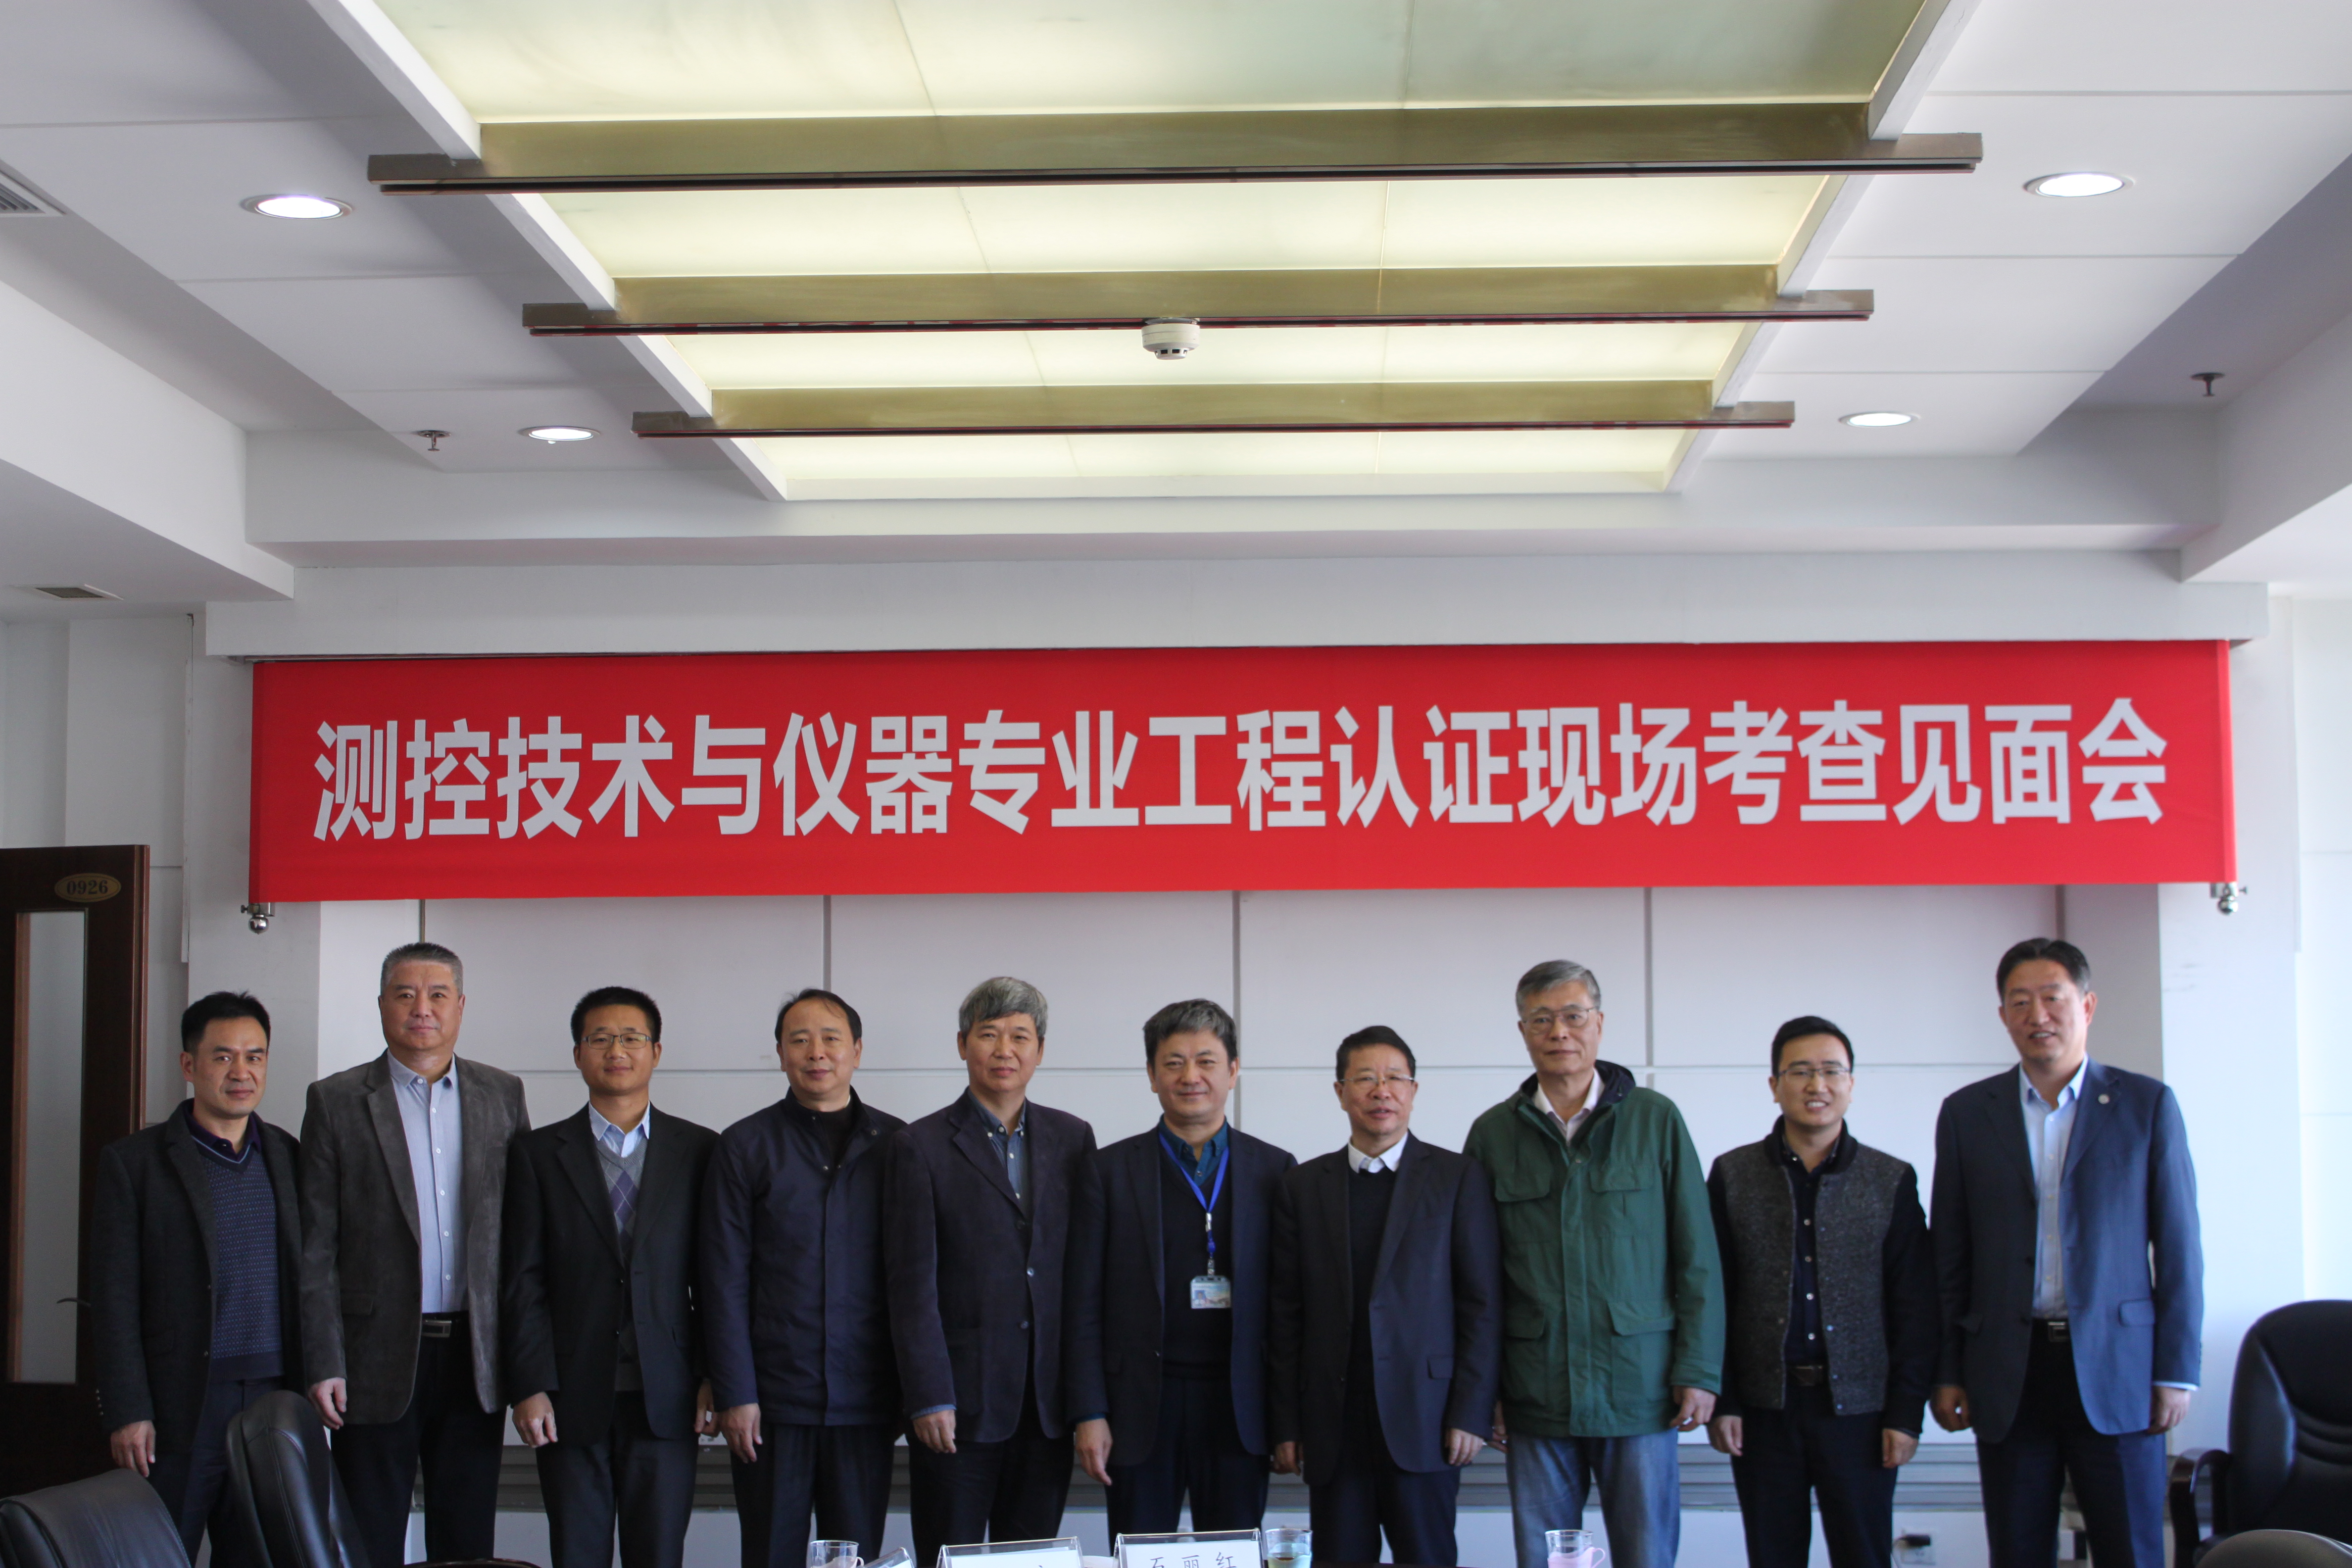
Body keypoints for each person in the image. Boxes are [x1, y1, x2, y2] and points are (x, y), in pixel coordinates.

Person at [1932, 938, 2203, 1568]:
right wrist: (1948, 1370)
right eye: (2020, 1002)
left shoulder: (2146, 1105)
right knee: (2018, 1551)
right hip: (2009, 1369)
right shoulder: (1968, 1113)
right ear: (2003, 1015)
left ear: (2087, 1005)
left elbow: (2180, 1248)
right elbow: (1949, 1254)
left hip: (2119, 1368)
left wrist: (2175, 1370)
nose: (2038, 1016)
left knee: (2131, 1551)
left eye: (2053, 998)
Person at [1464, 960, 1723, 1568]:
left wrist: (1700, 1369)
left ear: (1599, 1024)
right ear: (1523, 1032)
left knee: (1646, 1556)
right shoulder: (1493, 1134)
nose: (1559, 1031)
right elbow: (1476, 1279)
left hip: (1641, 1387)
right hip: (1535, 1390)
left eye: (1574, 1016)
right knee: (1545, 1559)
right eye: (1542, 1019)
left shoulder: (1655, 1120)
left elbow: (1698, 1257)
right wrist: (1483, 1390)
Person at [299, 941, 531, 1568]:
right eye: (405, 995)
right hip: (372, 1357)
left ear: (460, 1006)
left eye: (437, 995)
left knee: (466, 1543)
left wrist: (526, 1362)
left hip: (474, 1356)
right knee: (368, 1539)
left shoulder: (502, 1095)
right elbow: (316, 1246)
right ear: (382, 1005)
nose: (421, 1009)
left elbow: (521, 1239)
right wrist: (324, 1361)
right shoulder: (336, 1100)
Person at [1705, 1016, 1938, 1568]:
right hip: (1764, 1411)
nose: (1818, 1085)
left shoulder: (1890, 1179)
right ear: (1774, 1085)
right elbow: (1714, 1297)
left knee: (1864, 1556)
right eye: (1801, 1072)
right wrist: (1725, 1400)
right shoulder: (1733, 1175)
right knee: (1773, 1557)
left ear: (1851, 1084)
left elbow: (1916, 1307)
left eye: (1832, 1071)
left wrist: (1906, 1413)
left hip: (1862, 1416)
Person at [885, 977, 1102, 1567]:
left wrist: (1087, 1404)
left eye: (1020, 1037)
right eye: (989, 1035)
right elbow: (910, 1286)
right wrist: (928, 1395)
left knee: (1030, 1560)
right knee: (948, 1556)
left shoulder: (1074, 1139)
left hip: (1047, 1404)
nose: (1004, 1050)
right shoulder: (920, 1145)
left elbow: (1084, 1281)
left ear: (1040, 1050)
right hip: (957, 1406)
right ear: (963, 1045)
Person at [1268, 1026, 1501, 1568]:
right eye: (1365, 1079)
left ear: (1413, 1091)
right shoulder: (1303, 1186)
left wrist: (1471, 1412)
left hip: (1429, 1421)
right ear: (1340, 1092)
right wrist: (1286, 1424)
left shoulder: (1458, 1178)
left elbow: (1482, 1305)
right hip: (1334, 1428)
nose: (1382, 1091)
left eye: (1395, 1078)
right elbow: (1284, 1316)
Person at [503, 986, 719, 1568]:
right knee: (577, 1554)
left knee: (659, 1555)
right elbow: (523, 1280)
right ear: (578, 1054)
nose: (616, 1051)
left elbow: (715, 1279)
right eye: (600, 1039)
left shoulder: (701, 1150)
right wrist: (529, 1385)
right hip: (569, 1395)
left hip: (669, 1393)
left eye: (631, 1038)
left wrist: (711, 1375)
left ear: (656, 1052)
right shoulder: (537, 1154)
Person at [1068, 998, 1297, 1535]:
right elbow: (1081, 1304)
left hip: (1240, 1406)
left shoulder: (1276, 1171)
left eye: (1206, 1061)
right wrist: (1089, 1412)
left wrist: (1288, 1419)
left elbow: (1290, 1309)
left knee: (1233, 1553)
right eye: (1173, 1063)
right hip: (1139, 1406)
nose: (1190, 1076)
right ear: (1152, 1076)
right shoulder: (1107, 1171)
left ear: (1233, 1071)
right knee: (1141, 1552)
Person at [92, 992, 302, 1568]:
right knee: (160, 1554)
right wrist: (128, 1409)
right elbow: (113, 1298)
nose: (242, 1072)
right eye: (223, 1057)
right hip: (181, 1404)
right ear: (190, 1065)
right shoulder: (135, 1163)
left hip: (273, 1399)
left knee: (260, 1556)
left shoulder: (289, 1155)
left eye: (255, 1057)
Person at [703, 988, 907, 1568]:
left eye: (831, 1039)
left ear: (857, 1051)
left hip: (867, 1402)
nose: (817, 1052)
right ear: (780, 1053)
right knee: (770, 1554)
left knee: (856, 1557)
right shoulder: (744, 1145)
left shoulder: (900, 1145)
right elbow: (722, 1281)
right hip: (771, 1406)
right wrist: (736, 1394)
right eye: (800, 1040)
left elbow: (916, 1279)